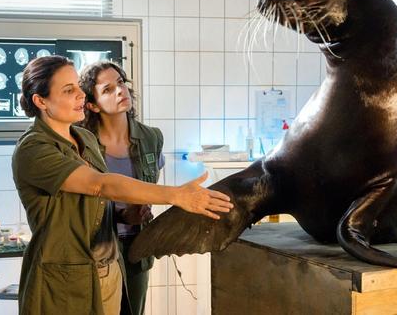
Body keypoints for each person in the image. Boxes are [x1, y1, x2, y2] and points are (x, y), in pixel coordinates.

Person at [12, 55, 232, 315]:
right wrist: (176, 195)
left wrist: (121, 214)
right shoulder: (34, 148)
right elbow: (98, 185)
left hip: (109, 269)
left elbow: (88, 204)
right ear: (40, 101)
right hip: (65, 279)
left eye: (78, 88)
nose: (80, 95)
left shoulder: (83, 138)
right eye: (68, 90)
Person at [77, 61, 160, 315]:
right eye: (108, 89)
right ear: (92, 104)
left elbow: (149, 189)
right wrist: (123, 215)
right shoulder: (81, 142)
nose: (120, 91)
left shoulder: (151, 138)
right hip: (98, 249)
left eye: (121, 83)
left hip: (137, 246)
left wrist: (141, 213)